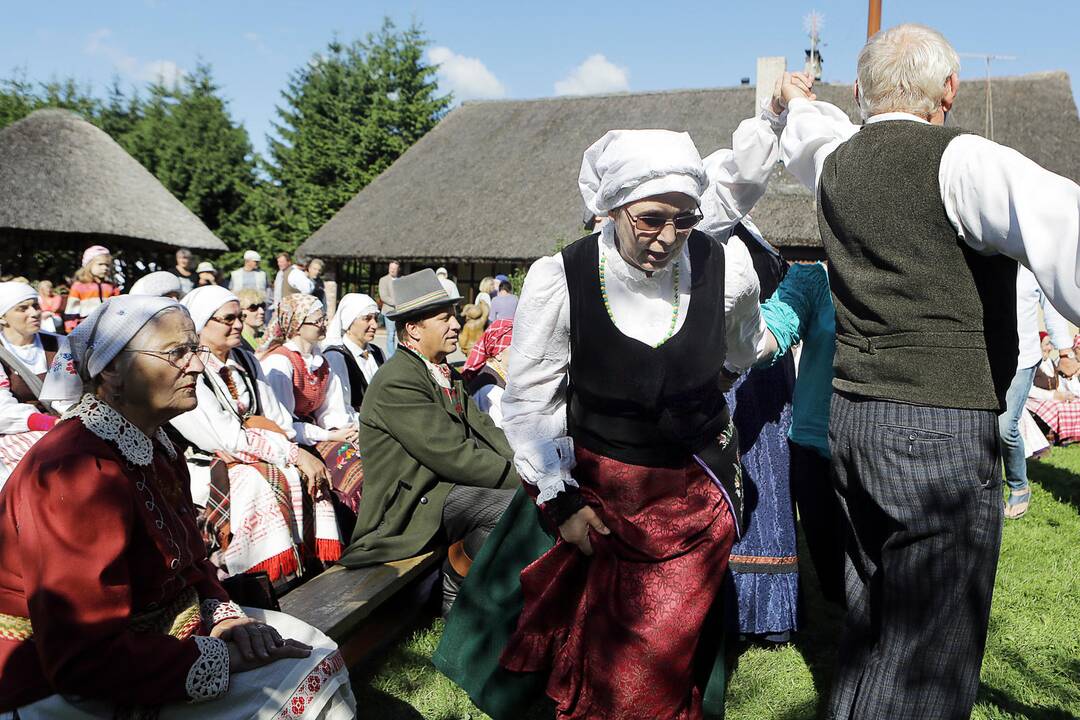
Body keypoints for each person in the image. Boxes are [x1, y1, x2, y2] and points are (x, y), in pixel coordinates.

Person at [436, 72, 794, 718]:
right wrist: (562, 501)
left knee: (651, 673)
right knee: (596, 665)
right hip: (600, 495)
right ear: (612, 210)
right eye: (650, 219)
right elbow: (532, 400)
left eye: (684, 221)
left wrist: (706, 384)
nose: (666, 235)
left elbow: (747, 347)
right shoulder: (563, 277)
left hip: (691, 500)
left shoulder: (726, 269)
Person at [779, 24, 1080, 719]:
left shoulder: (835, 161)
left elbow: (805, 133)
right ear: (949, 89)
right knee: (928, 660)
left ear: (859, 91)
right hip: (938, 428)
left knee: (872, 627)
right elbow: (1066, 232)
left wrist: (789, 103)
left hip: (852, 420)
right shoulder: (965, 159)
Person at [0, 295, 355, 719]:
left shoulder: (155, 443)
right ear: (112, 370)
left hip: (156, 633)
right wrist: (218, 660)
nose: (199, 366)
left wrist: (223, 617)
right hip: (59, 678)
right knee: (298, 673)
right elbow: (81, 653)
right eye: (177, 353)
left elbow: (187, 559)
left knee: (313, 647)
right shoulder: (75, 471)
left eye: (195, 349)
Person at [340, 269, 519, 616]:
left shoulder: (440, 369)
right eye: (444, 318)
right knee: (509, 507)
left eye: (453, 315)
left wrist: (529, 466)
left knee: (524, 501)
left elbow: (486, 431)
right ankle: (455, 582)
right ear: (413, 329)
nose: (455, 324)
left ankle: (496, 595)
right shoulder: (398, 380)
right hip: (408, 507)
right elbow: (453, 455)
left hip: (442, 490)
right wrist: (524, 480)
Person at [170, 286, 342, 586]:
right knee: (262, 481)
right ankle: (254, 576)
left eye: (239, 317)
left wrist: (288, 449)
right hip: (207, 465)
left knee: (296, 472)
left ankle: (304, 567)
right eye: (228, 319)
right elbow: (224, 439)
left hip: (260, 450)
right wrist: (291, 453)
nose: (238, 324)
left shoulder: (246, 361)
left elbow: (278, 419)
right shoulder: (191, 369)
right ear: (201, 323)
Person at [721, 220, 799, 642]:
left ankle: (767, 615)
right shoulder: (715, 232)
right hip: (738, 375)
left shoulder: (743, 239)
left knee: (763, 484)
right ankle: (747, 611)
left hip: (755, 370)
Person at [757, 261, 846, 606]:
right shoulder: (814, 279)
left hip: (880, 442)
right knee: (832, 572)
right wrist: (745, 334)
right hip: (814, 443)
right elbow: (775, 325)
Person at [257, 293, 364, 515]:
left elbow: (331, 413)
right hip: (287, 440)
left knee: (365, 453)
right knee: (352, 469)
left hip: (314, 434)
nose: (324, 323)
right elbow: (283, 426)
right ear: (297, 324)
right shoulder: (280, 363)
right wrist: (331, 436)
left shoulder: (320, 361)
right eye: (317, 320)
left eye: (324, 318)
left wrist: (344, 431)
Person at [1001, 266, 1076, 518]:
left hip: (1023, 358)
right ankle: (987, 490)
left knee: (1004, 425)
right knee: (981, 427)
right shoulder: (985, 253)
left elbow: (1052, 311)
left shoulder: (1032, 265)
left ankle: (1018, 485)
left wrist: (1065, 352)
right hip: (985, 356)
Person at [0, 283, 65, 488]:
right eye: (23, 308)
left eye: (35, 306)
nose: (35, 312)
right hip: (16, 430)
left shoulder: (60, 344)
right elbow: (1, 410)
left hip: (64, 423)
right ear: (2, 317)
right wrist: (45, 423)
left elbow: (72, 392)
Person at [323, 292, 385, 413]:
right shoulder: (336, 357)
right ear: (349, 322)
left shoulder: (378, 352)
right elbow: (338, 410)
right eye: (367, 318)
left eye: (375, 318)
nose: (375, 325)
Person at [1026, 331, 1080, 446]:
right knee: (1057, 407)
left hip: (1051, 398)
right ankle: (1057, 436)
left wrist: (1065, 395)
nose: (1050, 348)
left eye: (1050, 344)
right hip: (1034, 399)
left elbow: (1058, 384)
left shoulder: (1050, 362)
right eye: (1046, 344)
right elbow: (1029, 390)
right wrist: (1052, 396)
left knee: (1075, 403)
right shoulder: (1031, 364)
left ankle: (1073, 436)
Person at [461, 319, 513, 427]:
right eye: (515, 347)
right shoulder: (490, 389)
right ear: (498, 354)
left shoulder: (499, 375)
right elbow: (502, 433)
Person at [64, 245, 119, 332]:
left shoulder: (111, 287)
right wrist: (71, 330)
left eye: (107, 265)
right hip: (85, 330)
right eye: (100, 264)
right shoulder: (79, 286)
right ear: (89, 264)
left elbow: (118, 308)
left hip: (108, 329)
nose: (105, 268)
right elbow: (72, 311)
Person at [378, 260, 401, 358]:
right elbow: (383, 296)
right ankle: (391, 357)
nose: (392, 270)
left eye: (394, 268)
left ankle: (401, 356)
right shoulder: (383, 280)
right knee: (391, 335)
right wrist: (397, 303)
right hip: (389, 311)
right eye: (391, 268)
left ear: (398, 269)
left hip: (401, 311)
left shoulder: (401, 280)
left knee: (401, 335)